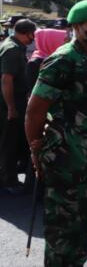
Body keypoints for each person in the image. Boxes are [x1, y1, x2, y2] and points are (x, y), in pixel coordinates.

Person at [25, 0, 87, 266]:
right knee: (63, 232)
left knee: (83, 222)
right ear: (77, 26)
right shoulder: (63, 60)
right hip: (64, 160)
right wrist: (36, 149)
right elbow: (35, 111)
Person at [0, 19, 36, 194]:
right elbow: (7, 80)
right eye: (32, 35)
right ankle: (9, 181)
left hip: (12, 101)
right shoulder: (12, 50)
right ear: (26, 32)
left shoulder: (11, 45)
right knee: (9, 142)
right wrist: (11, 108)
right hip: (10, 102)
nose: (33, 39)